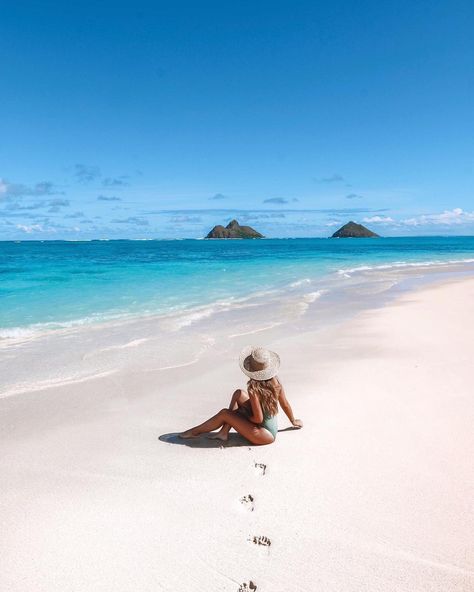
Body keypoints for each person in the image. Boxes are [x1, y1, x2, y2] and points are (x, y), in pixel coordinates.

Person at [179, 346, 303, 444]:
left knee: (225, 414)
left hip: (264, 436)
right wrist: (293, 420)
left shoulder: (254, 389)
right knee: (238, 394)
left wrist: (241, 415)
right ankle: (224, 432)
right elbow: (285, 404)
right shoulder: (276, 382)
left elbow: (258, 419)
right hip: (270, 430)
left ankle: (194, 432)